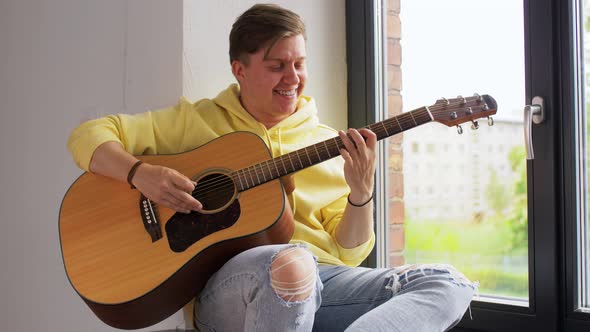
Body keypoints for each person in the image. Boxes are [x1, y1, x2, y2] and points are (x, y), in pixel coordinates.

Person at [67, 4, 476, 331]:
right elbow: (89, 134)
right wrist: (141, 174)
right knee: (290, 263)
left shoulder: (328, 143)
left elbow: (348, 256)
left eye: (299, 64)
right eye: (277, 65)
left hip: (322, 283)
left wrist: (360, 192)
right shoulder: (197, 121)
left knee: (449, 283)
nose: (293, 78)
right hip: (231, 292)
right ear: (240, 70)